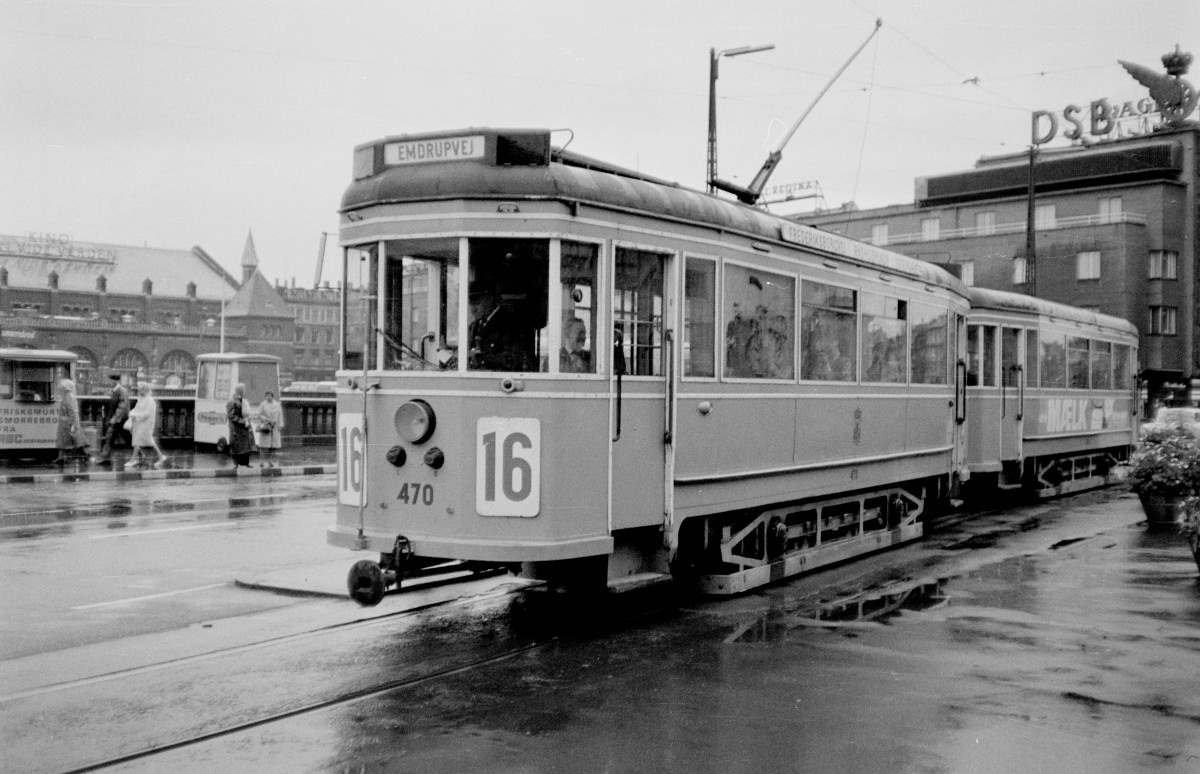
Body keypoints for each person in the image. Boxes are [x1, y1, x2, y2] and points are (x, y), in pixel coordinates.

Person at [126, 382, 169, 469]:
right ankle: (160, 456)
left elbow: (147, 413)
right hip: (140, 423)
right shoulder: (141, 399)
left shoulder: (150, 401)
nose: (139, 391)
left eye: (141, 389)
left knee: (138, 441)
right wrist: (132, 413)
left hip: (146, 424)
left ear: (145, 390)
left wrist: (134, 414)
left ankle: (133, 460)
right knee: (148, 441)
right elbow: (137, 408)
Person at [54, 378, 91, 465]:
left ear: (65, 388)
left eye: (61, 387)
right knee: (70, 440)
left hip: (66, 423)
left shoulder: (67, 397)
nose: (60, 389)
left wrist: (73, 424)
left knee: (73, 440)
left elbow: (71, 411)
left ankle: (85, 454)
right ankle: (61, 457)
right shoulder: (68, 396)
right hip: (66, 422)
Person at [96, 374, 130, 464]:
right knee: (110, 438)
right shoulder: (114, 391)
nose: (109, 382)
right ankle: (105, 458)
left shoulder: (121, 391)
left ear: (116, 381)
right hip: (117, 419)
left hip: (120, 420)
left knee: (113, 437)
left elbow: (122, 406)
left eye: (111, 380)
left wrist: (114, 418)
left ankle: (105, 458)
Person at [226, 383, 254, 468]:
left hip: (244, 427)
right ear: (239, 390)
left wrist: (248, 421)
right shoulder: (232, 401)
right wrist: (242, 421)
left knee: (246, 446)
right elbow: (231, 415)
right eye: (243, 390)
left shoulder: (243, 400)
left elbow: (246, 412)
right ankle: (236, 464)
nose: (244, 391)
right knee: (236, 446)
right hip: (236, 427)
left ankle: (246, 463)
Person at [256, 389, 284, 467]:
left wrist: (280, 425)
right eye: (267, 396)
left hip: (275, 428)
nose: (268, 397)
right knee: (263, 446)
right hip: (266, 427)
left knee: (273, 446)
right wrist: (267, 419)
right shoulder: (262, 404)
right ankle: (261, 461)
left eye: (269, 396)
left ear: (272, 396)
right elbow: (259, 415)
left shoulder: (277, 405)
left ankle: (270, 461)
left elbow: (280, 415)